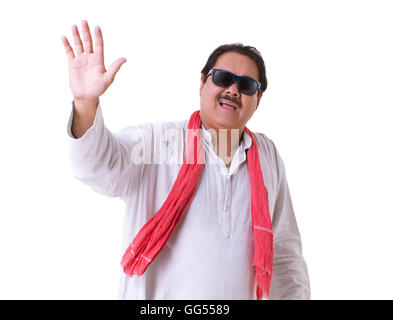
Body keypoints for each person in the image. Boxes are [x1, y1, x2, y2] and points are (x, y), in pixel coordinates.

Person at [62, 20, 311, 300]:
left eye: (246, 85)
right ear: (203, 82)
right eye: (222, 78)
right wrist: (85, 103)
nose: (232, 90)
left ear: (258, 98)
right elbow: (97, 167)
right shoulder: (159, 143)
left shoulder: (267, 156)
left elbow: (285, 251)